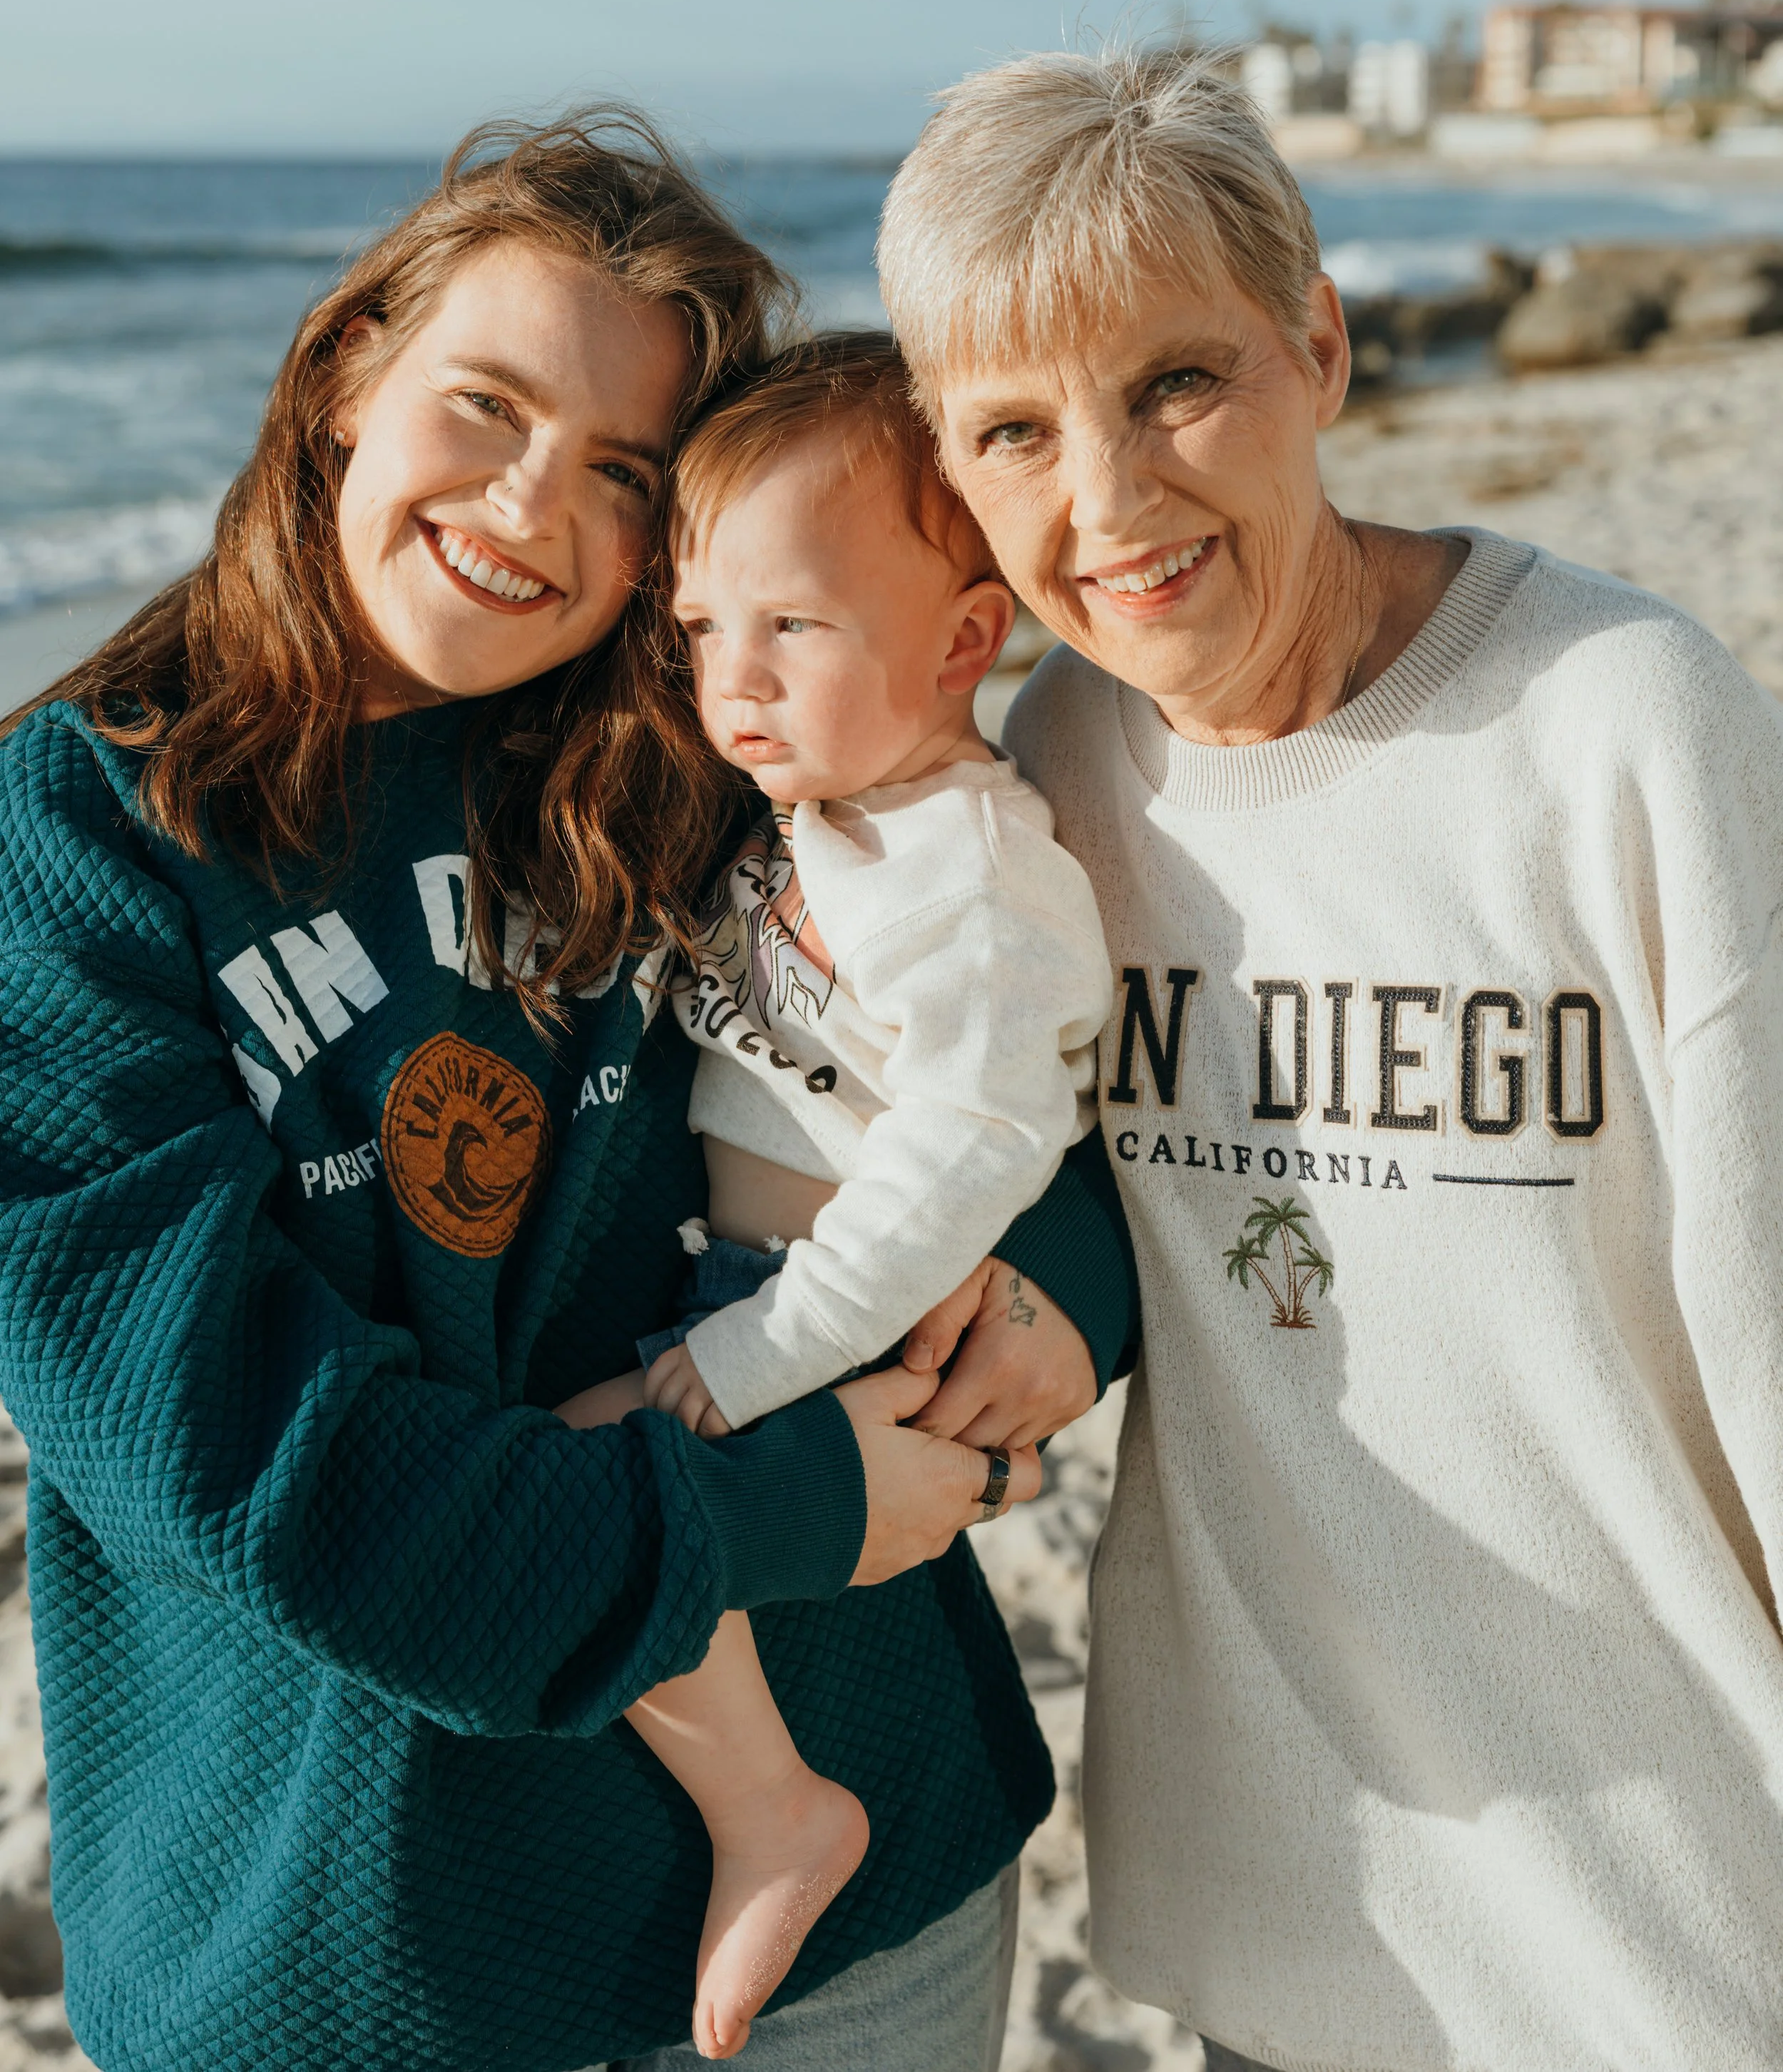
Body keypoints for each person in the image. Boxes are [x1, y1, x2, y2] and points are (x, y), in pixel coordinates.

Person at [0, 111, 1133, 2072]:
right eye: (487, 402)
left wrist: (1066, 1300)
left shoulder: (704, 732)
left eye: (620, 472)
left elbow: (1017, 1044)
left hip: (867, 1881)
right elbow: (225, 1451)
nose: (533, 505)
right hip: (364, 1936)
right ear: (348, 361)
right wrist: (759, 1502)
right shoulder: (80, 833)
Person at [877, 44, 1783, 2072]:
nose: (1104, 501)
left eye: (1172, 383)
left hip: (1684, 1944)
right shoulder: (1054, 777)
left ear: (1319, 344)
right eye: (1012, 429)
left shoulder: (1620, 725)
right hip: (1290, 1938)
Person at [563, 335, 1112, 2059]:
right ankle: (767, 1807)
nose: (732, 680)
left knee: (588, 1480)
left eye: (790, 626)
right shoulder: (827, 809)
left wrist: (768, 1349)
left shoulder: (965, 870)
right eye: (701, 629)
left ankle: (775, 1815)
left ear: (965, 640)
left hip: (826, 1321)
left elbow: (976, 1141)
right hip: (757, 1289)